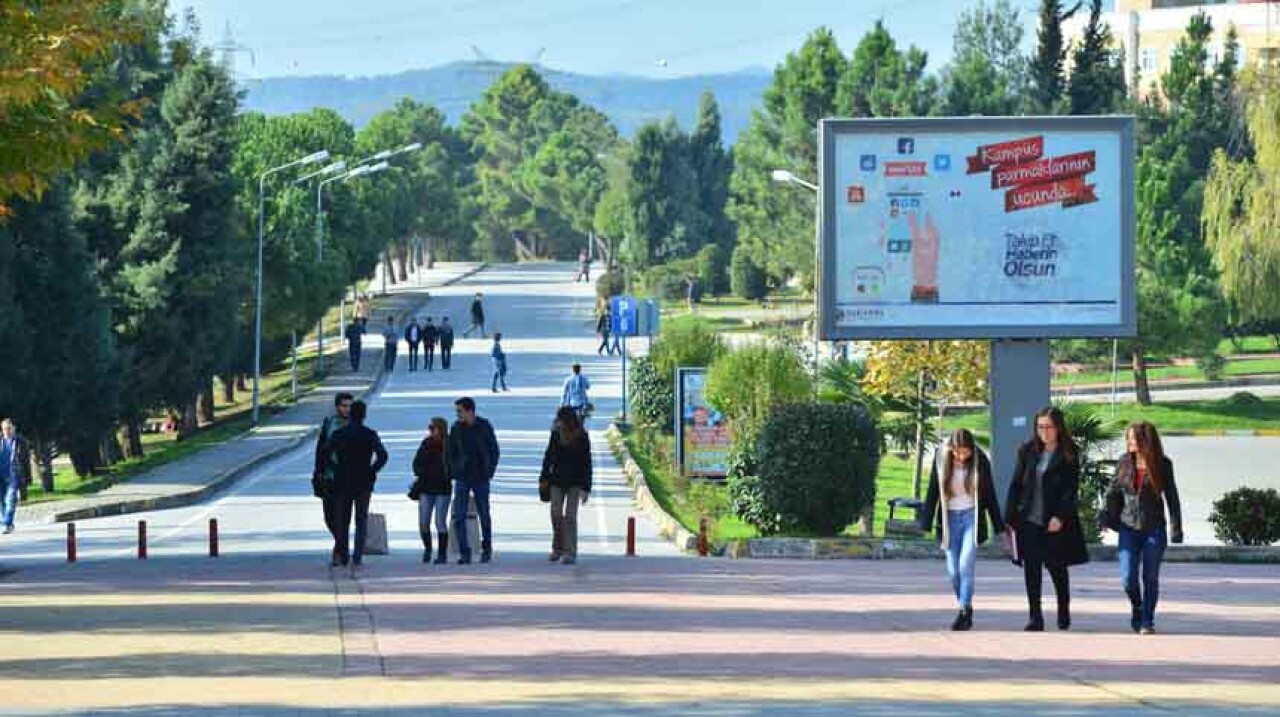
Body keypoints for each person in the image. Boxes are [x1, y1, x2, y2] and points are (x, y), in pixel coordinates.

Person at [1005, 406, 1089, 632]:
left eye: (1048, 427)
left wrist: (1060, 517)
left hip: (1054, 522)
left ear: (1058, 428)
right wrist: (1009, 517)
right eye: (1040, 427)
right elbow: (1016, 485)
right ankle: (1035, 616)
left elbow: (1070, 491)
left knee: (1057, 569)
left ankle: (1063, 610)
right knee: (1031, 570)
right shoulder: (1027, 451)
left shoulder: (1069, 453)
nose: (1044, 431)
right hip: (1029, 520)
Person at [919, 429, 1005, 631]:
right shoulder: (941, 460)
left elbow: (990, 494)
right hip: (949, 520)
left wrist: (998, 525)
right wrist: (926, 522)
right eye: (957, 452)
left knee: (966, 565)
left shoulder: (980, 460)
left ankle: (964, 611)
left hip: (971, 518)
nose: (961, 456)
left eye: (965, 452)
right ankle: (965, 604)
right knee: (953, 572)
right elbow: (933, 490)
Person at [1102, 421, 1183, 635]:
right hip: (1128, 528)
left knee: (1150, 577)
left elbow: (1172, 498)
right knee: (1128, 578)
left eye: (1133, 438)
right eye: (1127, 438)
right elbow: (1112, 492)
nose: (1129, 442)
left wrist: (1176, 528)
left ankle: (1148, 620)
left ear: (1145, 441)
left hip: (1154, 528)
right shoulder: (1123, 463)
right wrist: (1106, 518)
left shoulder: (1163, 464)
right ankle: (1137, 606)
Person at [327, 400, 388, 567]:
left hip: (343, 480)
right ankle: (358, 555)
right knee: (361, 519)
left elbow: (326, 454)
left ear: (351, 414)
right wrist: (372, 470)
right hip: (364, 482)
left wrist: (337, 468)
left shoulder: (339, 434)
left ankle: (343, 554)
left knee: (343, 520)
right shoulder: (369, 434)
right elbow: (383, 456)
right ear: (364, 416)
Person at [449, 397, 500, 564]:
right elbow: (450, 452)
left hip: (481, 477)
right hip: (462, 478)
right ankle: (465, 552)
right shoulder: (456, 428)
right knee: (459, 516)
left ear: (470, 411)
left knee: (484, 514)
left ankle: (487, 549)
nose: (457, 414)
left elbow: (494, 450)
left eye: (460, 411)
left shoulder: (484, 426)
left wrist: (489, 471)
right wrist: (454, 469)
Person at [541, 406, 592, 565]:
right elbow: (548, 456)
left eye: (560, 420)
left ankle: (570, 552)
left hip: (575, 482)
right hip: (556, 480)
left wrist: (586, 488)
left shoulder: (582, 436)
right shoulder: (555, 434)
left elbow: (587, 463)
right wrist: (543, 478)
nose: (558, 422)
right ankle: (557, 548)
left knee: (570, 516)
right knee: (555, 514)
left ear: (569, 421)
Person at [313, 393, 353, 564]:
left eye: (350, 406)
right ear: (337, 406)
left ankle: (340, 552)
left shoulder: (354, 424)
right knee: (329, 517)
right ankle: (342, 547)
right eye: (344, 406)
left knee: (342, 517)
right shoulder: (329, 423)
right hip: (329, 476)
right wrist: (318, 470)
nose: (347, 409)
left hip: (347, 478)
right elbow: (320, 447)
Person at [411, 417, 452, 564]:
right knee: (423, 522)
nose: (430, 431)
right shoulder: (426, 443)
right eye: (430, 428)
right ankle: (428, 548)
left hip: (443, 487)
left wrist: (450, 473)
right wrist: (420, 471)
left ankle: (442, 554)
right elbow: (416, 463)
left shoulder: (449, 444)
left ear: (441, 428)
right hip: (426, 487)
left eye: (432, 428)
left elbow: (455, 462)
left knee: (440, 521)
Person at [0, 418, 32, 534]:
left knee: (11, 499)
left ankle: (8, 523)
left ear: (14, 428)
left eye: (9, 429)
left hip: (14, 475)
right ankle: (7, 521)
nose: (7, 431)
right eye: (4, 429)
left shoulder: (21, 442)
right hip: (1, 476)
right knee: (2, 501)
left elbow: (26, 461)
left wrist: (28, 478)